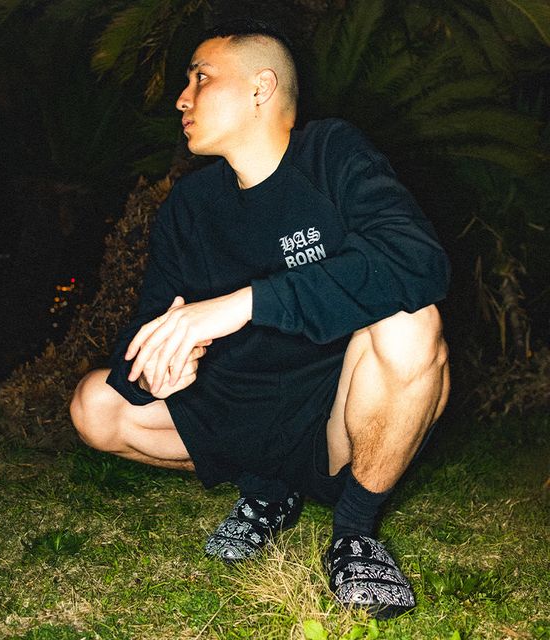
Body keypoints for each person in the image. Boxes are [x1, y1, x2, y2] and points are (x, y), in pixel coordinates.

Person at [70, 19, 450, 619]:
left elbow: (416, 261)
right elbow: (149, 326)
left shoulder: (329, 154)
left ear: (260, 87)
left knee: (411, 322)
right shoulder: (189, 206)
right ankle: (269, 494)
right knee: (96, 406)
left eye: (201, 77)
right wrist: (156, 371)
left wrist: (240, 304)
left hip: (337, 419)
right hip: (238, 413)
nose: (182, 98)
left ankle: (355, 534)